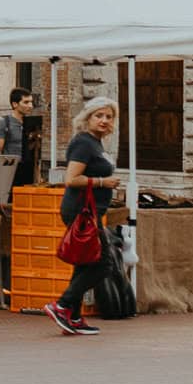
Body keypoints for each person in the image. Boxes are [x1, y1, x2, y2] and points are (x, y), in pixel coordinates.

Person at [44, 95, 120, 336]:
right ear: (87, 118)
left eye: (109, 117)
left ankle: (73, 316)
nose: (104, 120)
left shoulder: (96, 143)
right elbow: (71, 179)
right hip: (81, 211)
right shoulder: (84, 143)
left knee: (85, 261)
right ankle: (63, 305)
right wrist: (103, 181)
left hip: (91, 210)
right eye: (99, 116)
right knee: (102, 263)